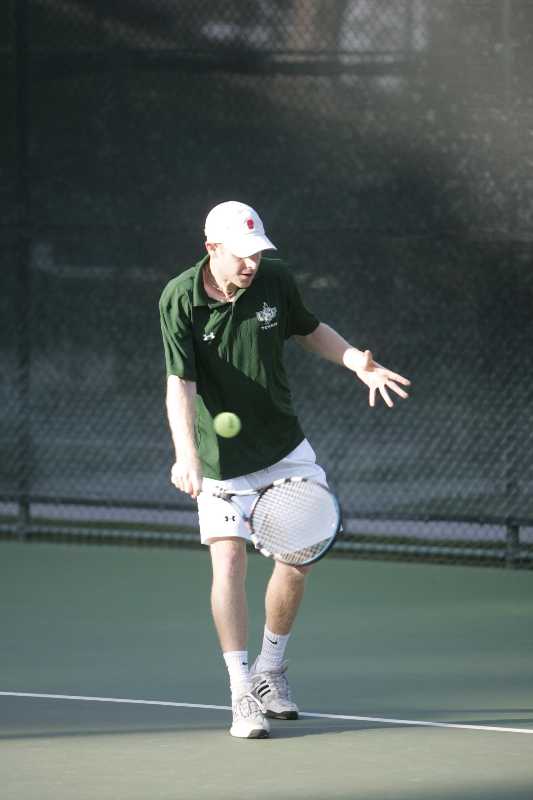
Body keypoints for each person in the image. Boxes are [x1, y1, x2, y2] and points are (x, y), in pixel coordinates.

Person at [159, 201, 410, 739]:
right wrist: (186, 454)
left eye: (258, 253)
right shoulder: (179, 298)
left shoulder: (274, 280)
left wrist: (355, 362)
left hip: (283, 448)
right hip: (220, 462)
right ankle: (240, 691)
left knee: (297, 561)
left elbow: (310, 329)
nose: (252, 263)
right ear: (212, 250)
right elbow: (180, 382)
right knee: (228, 563)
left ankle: (269, 669)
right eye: (241, 255)